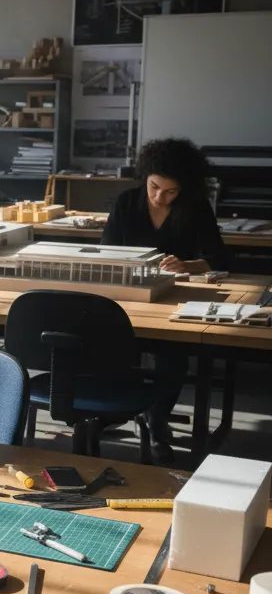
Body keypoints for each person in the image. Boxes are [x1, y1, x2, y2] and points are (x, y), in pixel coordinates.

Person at [102, 137, 226, 463]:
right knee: (111, 346)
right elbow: (107, 255)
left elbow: (218, 257)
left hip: (175, 302)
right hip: (129, 300)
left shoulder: (195, 207)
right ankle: (120, 410)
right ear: (145, 176)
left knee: (174, 359)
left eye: (170, 191)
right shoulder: (127, 203)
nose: (160, 197)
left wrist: (188, 265)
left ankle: (157, 417)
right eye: (155, 187)